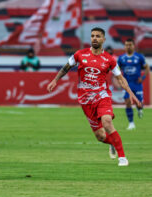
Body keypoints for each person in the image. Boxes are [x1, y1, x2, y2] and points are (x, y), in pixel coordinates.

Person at [47, 27, 141, 166]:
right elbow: (66, 67)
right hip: (85, 100)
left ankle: (122, 158)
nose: (95, 38)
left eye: (98, 36)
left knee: (107, 122)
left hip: (102, 96)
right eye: (92, 36)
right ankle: (112, 143)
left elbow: (120, 78)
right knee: (100, 136)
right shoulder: (80, 54)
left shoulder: (109, 60)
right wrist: (55, 80)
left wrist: (131, 93)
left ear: (103, 39)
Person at [117, 38, 150, 130]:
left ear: (133, 46)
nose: (128, 46)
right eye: (126, 45)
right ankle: (131, 123)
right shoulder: (121, 58)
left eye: (130, 45)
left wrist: (143, 78)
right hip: (127, 84)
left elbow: (147, 68)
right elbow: (117, 70)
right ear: (124, 46)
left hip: (137, 84)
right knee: (127, 102)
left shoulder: (139, 57)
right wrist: (120, 80)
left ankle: (139, 109)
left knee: (139, 103)